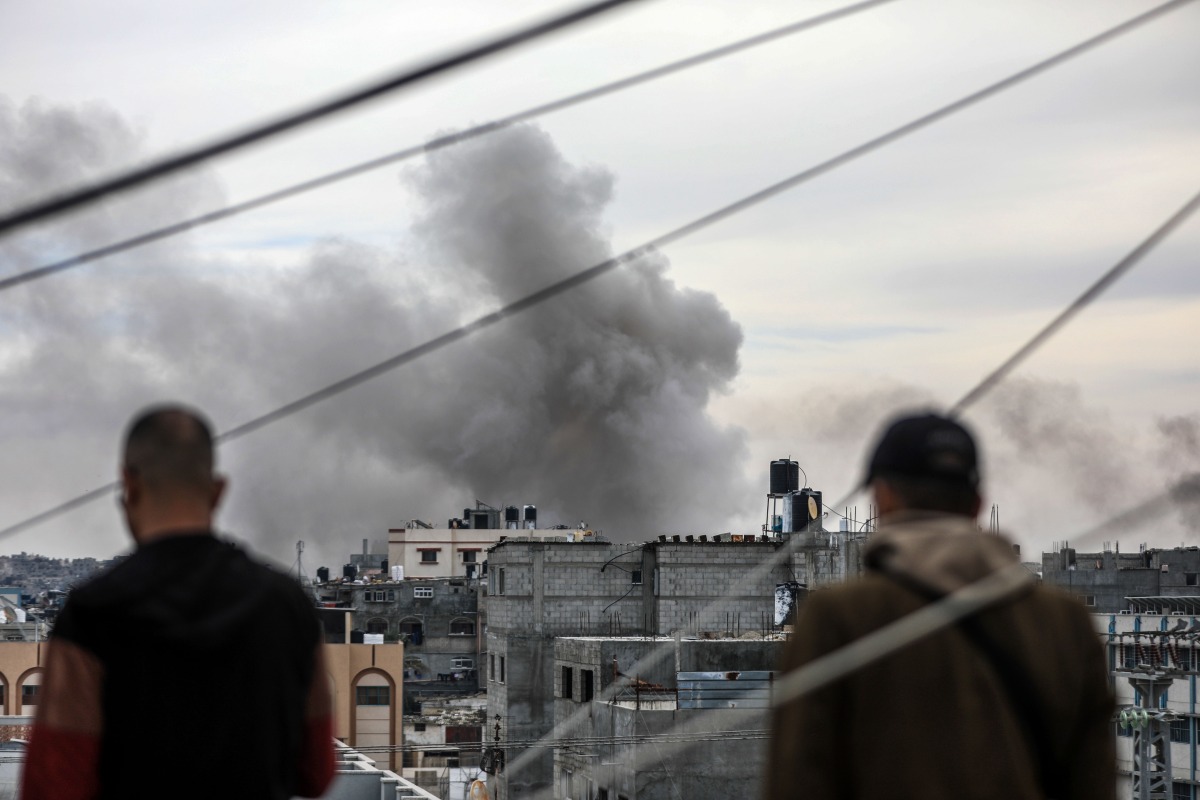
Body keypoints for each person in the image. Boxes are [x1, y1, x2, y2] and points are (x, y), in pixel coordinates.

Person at [767, 412, 1115, 800]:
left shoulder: (839, 618)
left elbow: (797, 782)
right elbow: (1094, 783)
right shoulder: (1065, 623)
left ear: (881, 496)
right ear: (977, 504)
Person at [23, 405, 336, 800]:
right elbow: (318, 772)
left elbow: (52, 786)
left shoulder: (91, 615)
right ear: (218, 490)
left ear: (128, 485)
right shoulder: (288, 607)